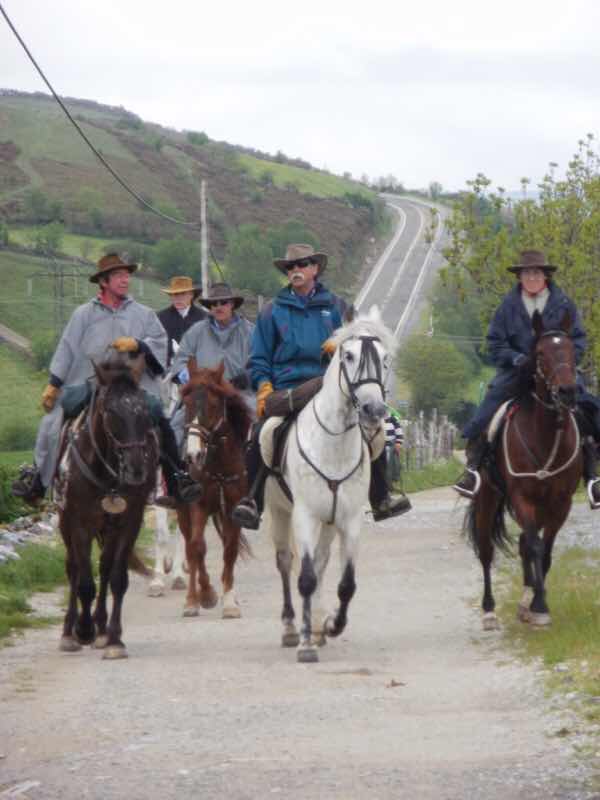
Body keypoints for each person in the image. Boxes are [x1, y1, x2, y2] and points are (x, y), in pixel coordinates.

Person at [231, 242, 411, 530]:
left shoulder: (337, 306)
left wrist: (341, 342)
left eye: (302, 265)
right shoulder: (272, 311)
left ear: (315, 268)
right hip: (288, 386)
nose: (296, 270)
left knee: (373, 431)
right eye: (291, 267)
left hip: (332, 385)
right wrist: (264, 386)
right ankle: (252, 500)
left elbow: (360, 339)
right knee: (263, 431)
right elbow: (259, 358)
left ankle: (382, 496)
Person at [11, 253, 202, 508]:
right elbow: (67, 348)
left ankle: (177, 478)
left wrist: (139, 344)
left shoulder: (144, 315)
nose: (125, 280)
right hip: (91, 382)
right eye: (118, 276)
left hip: (133, 386)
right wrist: (53, 383)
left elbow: (160, 345)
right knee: (53, 417)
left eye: (127, 275)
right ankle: (38, 479)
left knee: (158, 414)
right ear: (103, 281)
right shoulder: (83, 314)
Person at [453, 249, 600, 507]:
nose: (532, 277)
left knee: (588, 408)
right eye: (526, 273)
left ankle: (592, 476)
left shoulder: (564, 304)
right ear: (520, 277)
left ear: (545, 275)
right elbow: (495, 343)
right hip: (517, 371)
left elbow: (578, 339)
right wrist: (517, 359)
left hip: (557, 371)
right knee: (489, 408)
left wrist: (561, 360)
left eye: (536, 272)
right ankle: (474, 468)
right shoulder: (507, 308)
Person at [157, 275, 207, 367]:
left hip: (198, 371)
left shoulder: (204, 319)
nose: (178, 298)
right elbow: (156, 347)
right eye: (175, 294)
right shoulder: (160, 318)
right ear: (171, 296)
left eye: (183, 294)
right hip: (166, 370)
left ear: (191, 295)